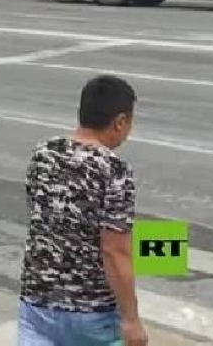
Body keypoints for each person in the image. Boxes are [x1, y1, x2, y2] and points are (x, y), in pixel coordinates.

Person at [18, 75, 146, 346]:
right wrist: (132, 320)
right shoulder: (114, 170)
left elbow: (42, 219)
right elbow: (114, 251)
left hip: (36, 303)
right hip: (91, 313)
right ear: (120, 121)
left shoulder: (43, 153)